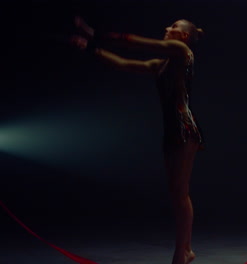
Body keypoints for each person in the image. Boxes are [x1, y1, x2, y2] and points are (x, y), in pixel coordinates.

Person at [70, 16, 205, 264]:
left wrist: (95, 32)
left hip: (185, 129)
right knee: (177, 193)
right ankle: (185, 249)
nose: (167, 28)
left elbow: (139, 43)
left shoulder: (181, 49)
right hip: (172, 131)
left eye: (173, 27)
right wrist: (91, 48)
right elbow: (124, 63)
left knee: (180, 192)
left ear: (184, 36)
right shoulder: (161, 63)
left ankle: (182, 252)